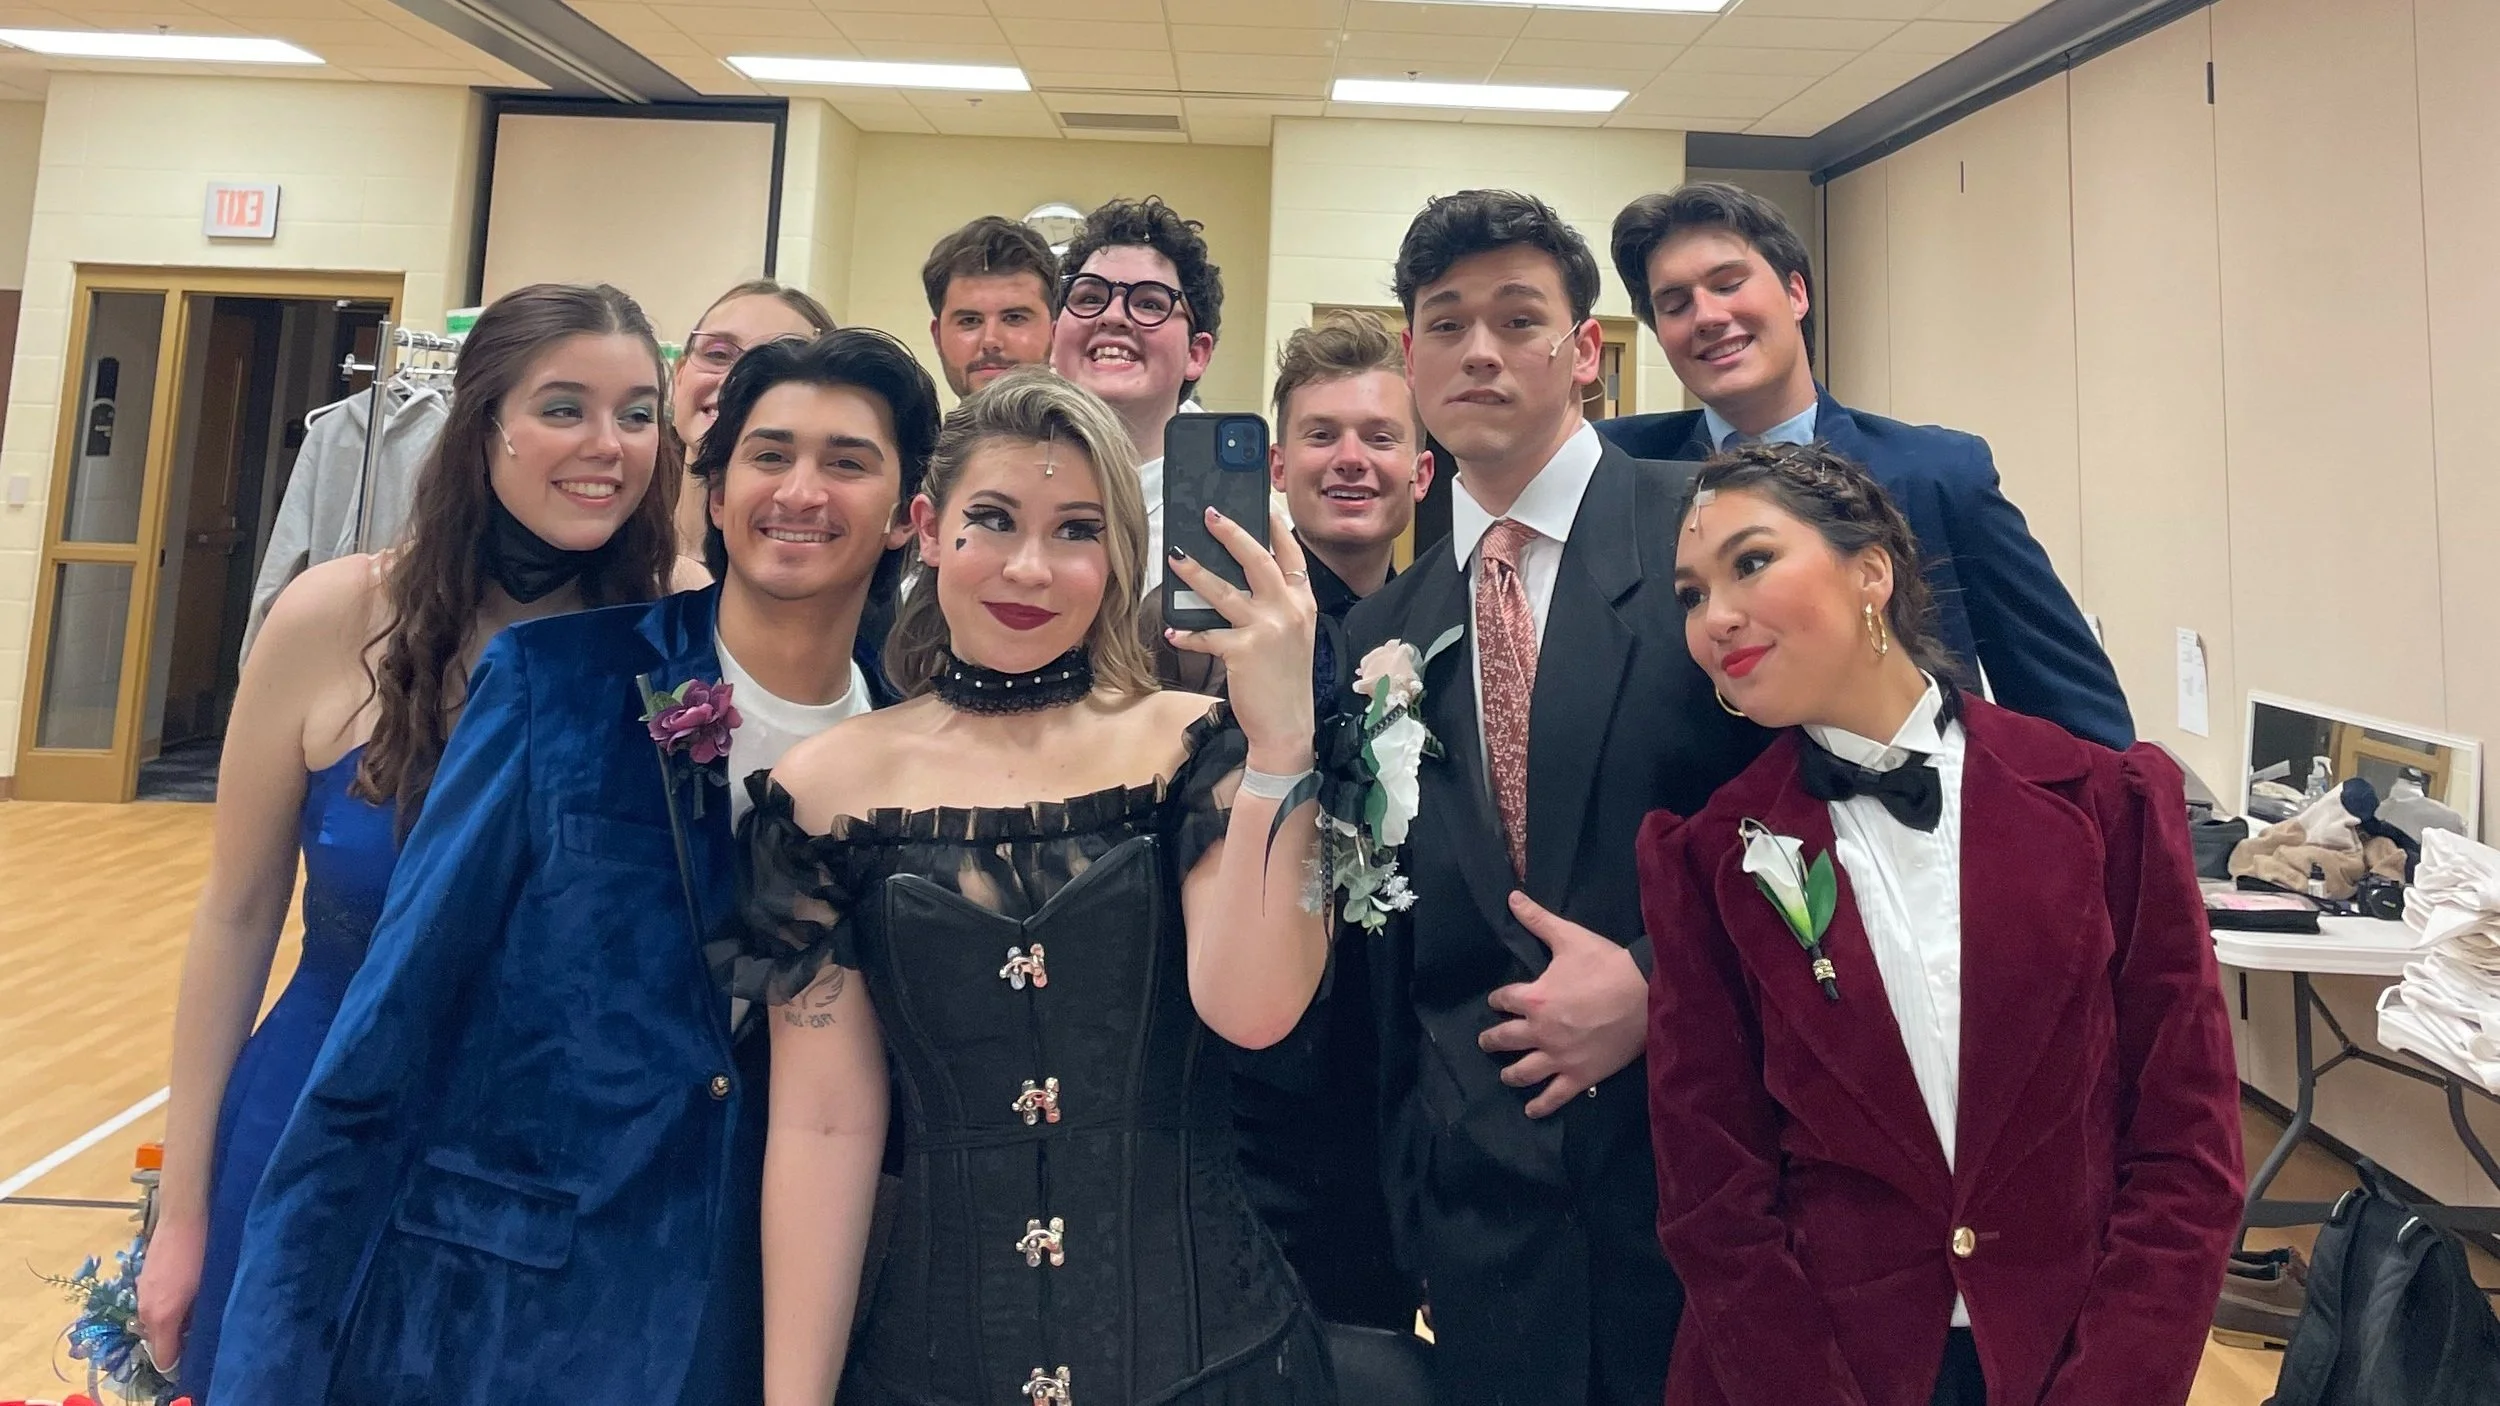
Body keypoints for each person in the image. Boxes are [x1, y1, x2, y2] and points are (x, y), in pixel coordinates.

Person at [212, 328, 938, 1406]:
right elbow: (385, 1031)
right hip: (517, 1306)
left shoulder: (920, 749)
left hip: (779, 1304)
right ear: (716, 483)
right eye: (769, 454)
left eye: (848, 461)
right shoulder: (555, 685)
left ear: (906, 514)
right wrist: (270, 1356)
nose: (801, 491)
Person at [721, 368, 1335, 1406]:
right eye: (993, 520)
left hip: (1215, 1364)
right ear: (925, 525)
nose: (1029, 567)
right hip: (928, 1366)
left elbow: (1256, 1009)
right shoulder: (824, 791)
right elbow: (824, 1127)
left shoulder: (1192, 747)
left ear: (1120, 556)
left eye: (1078, 531)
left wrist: (1281, 740)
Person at [132, 282, 688, 1402]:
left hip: (561, 1162)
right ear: (483, 421)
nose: (607, 446)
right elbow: (235, 917)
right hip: (314, 1124)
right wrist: (181, 1211)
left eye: (637, 413)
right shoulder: (329, 617)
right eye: (564, 407)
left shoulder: (684, 638)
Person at [1637, 442, 2242, 1406]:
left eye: (1750, 563)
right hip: (1814, 1370)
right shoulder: (1708, 860)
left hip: (2069, 1356)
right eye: (1690, 595)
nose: (1716, 618)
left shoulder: (2107, 804)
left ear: (1870, 568)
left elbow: (2189, 1147)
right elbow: (1715, 1200)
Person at [1341, 190, 1766, 1406]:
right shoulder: (1388, 626)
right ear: (1410, 353)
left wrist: (1658, 977)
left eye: (1517, 319)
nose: (1479, 349)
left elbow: (1836, 817)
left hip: (1708, 1177)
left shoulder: (1717, 530)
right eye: (1445, 322)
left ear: (1583, 351)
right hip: (1483, 1225)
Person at [1595, 181, 2134, 752]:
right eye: (1675, 305)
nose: (1706, 315)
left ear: (1796, 293)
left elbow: (2072, 710)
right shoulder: (1622, 468)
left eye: (1729, 284)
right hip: (1693, 829)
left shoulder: (1939, 473)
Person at [1232, 308, 1430, 1334]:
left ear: (1421, 473)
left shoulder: (1458, 634)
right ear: (1277, 461)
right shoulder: (1195, 632)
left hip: (1404, 1080)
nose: (1350, 459)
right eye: (1321, 435)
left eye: (1379, 436)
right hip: (1238, 1098)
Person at [1047, 195, 1221, 581]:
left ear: (1196, 353)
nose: (1112, 316)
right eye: (1090, 298)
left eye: (1150, 304)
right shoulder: (990, 483)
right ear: (1056, 338)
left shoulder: (1235, 522)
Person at [670, 277, 837, 561]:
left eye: (774, 363)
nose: (735, 379)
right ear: (680, 374)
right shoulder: (607, 544)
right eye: (718, 354)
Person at [922, 213, 1059, 399]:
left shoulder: (1099, 428)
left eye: (1014, 318)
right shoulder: (902, 428)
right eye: (969, 321)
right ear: (937, 337)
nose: (990, 341)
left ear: (1056, 333)